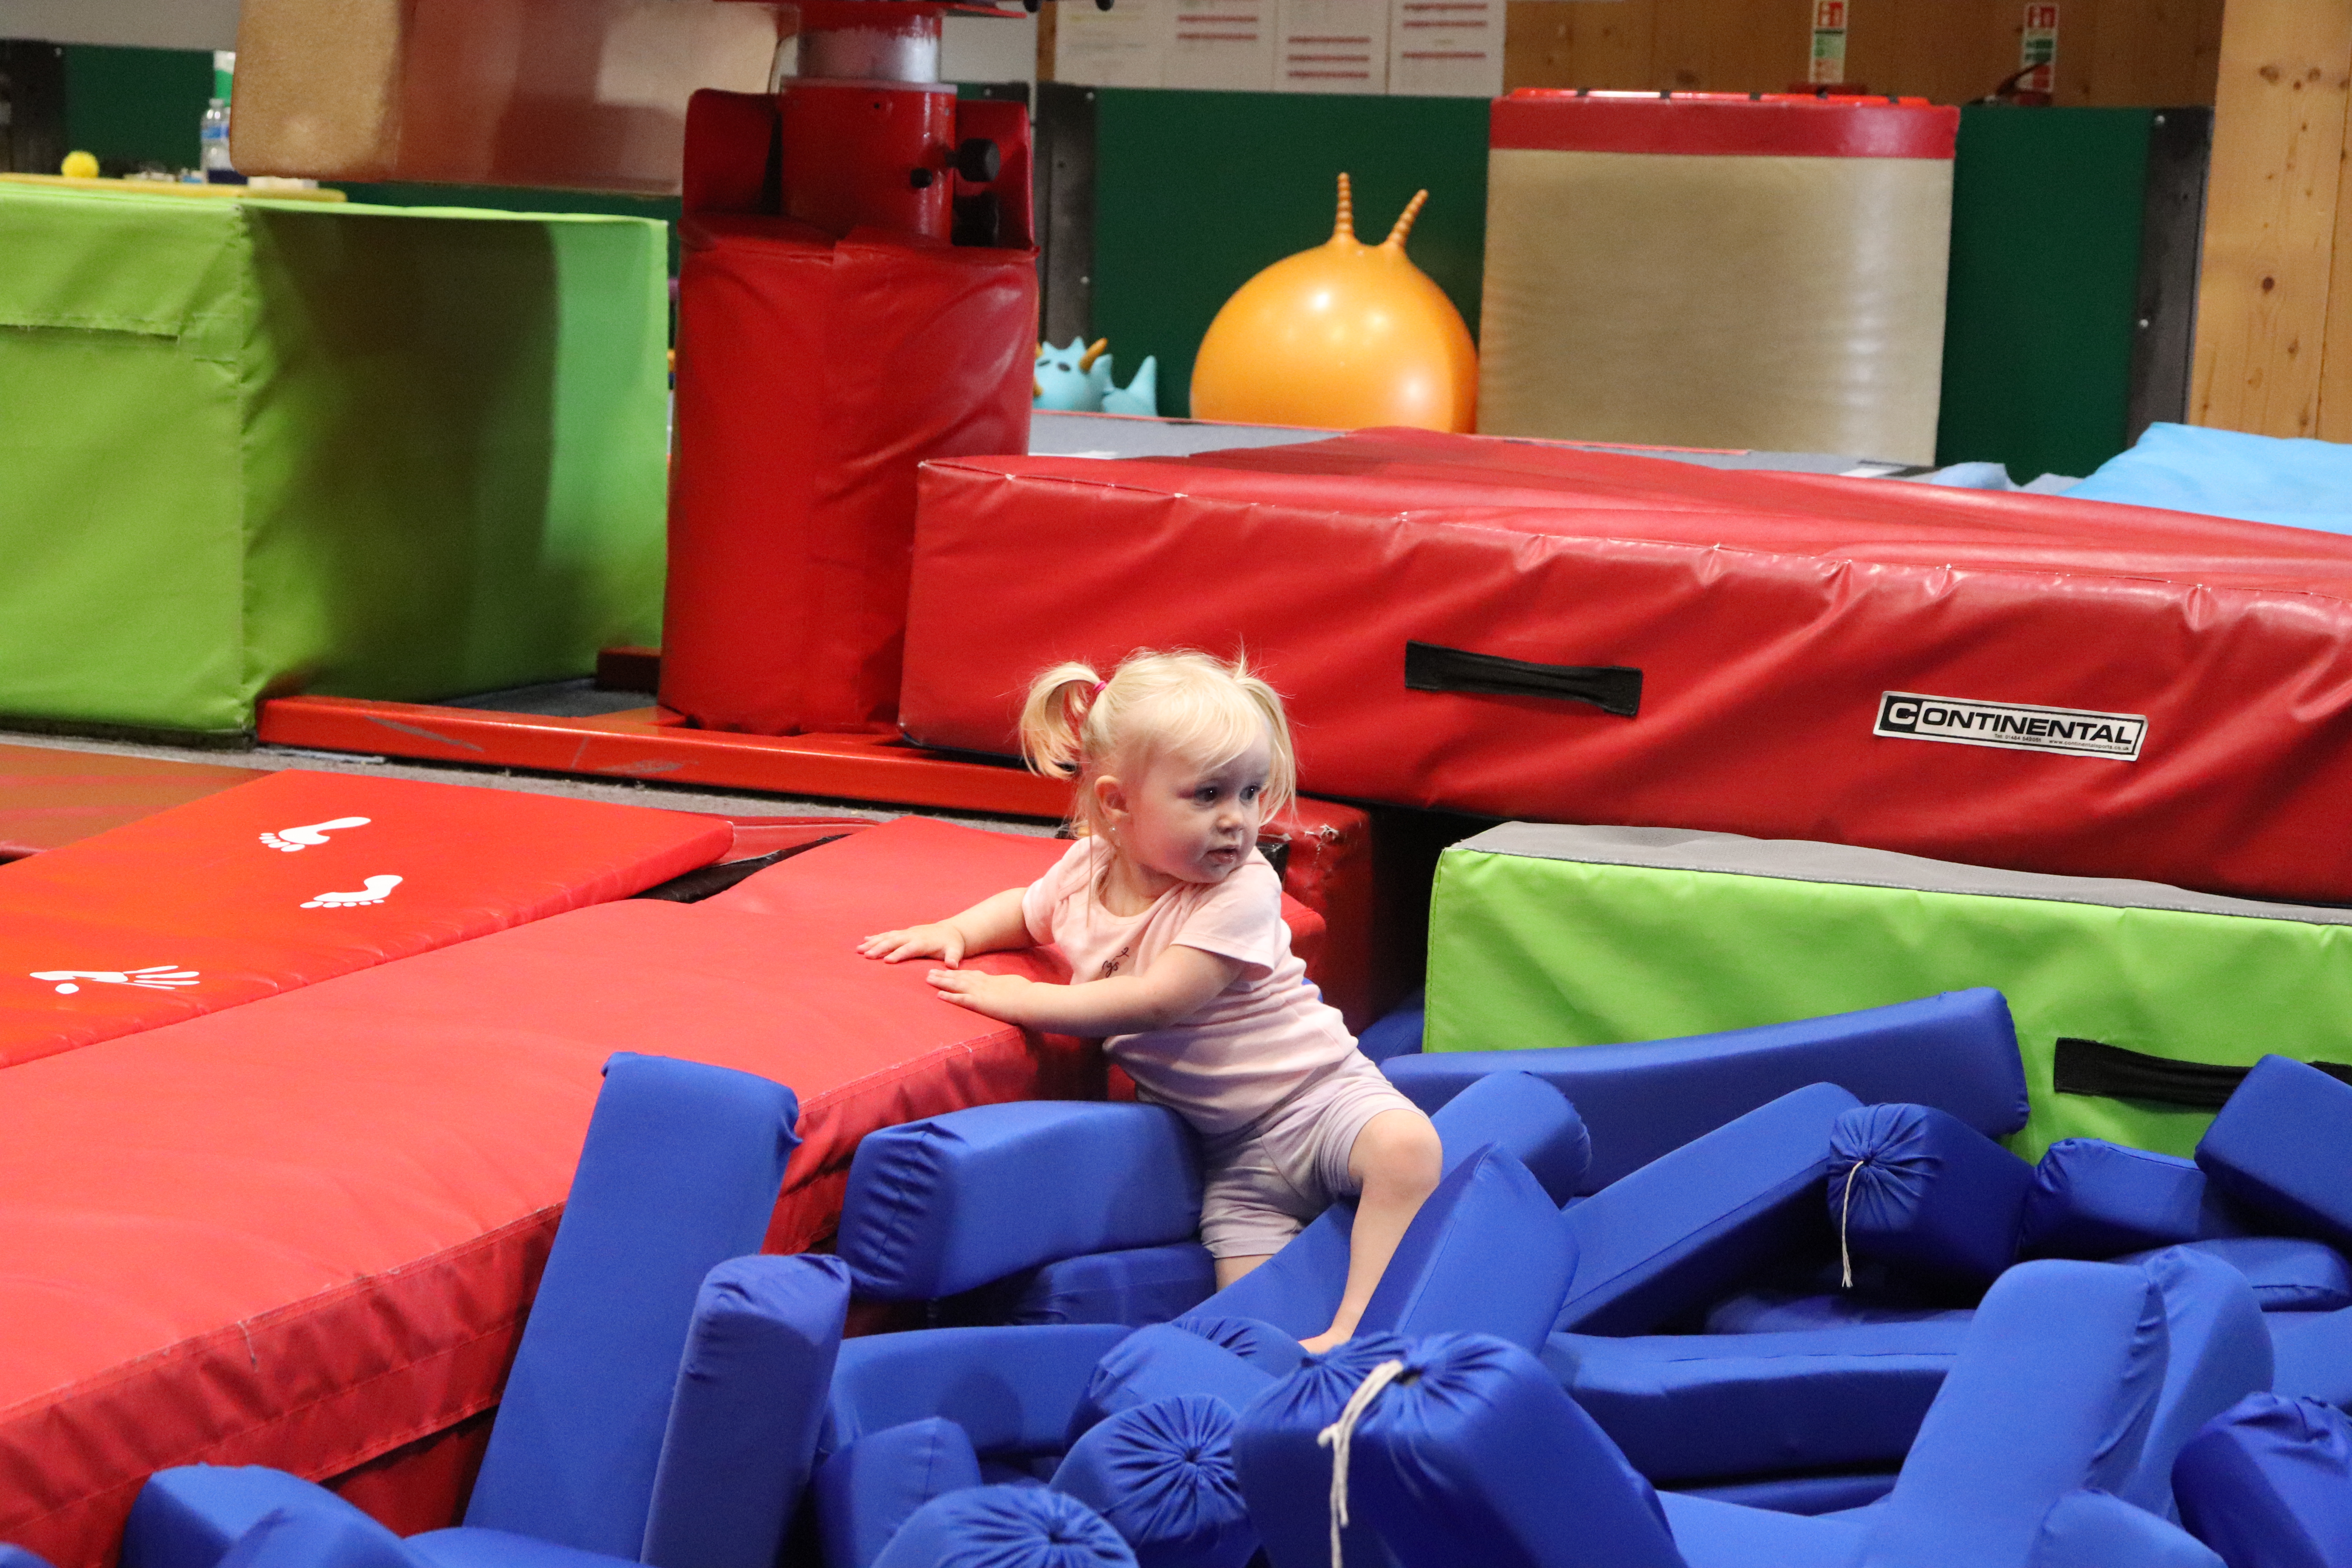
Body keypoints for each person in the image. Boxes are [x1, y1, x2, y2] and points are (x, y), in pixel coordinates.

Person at [859, 649, 1443, 1353]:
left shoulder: (1243, 890)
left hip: (1320, 1098)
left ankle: (1361, 1326)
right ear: (1117, 802)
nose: (1238, 820)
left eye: (1252, 793)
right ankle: (1286, 1365)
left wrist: (1019, 999)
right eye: (1207, 796)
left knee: (1407, 1149)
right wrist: (954, 930)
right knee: (1247, 1316)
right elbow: (1025, 909)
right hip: (1232, 1155)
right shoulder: (1085, 872)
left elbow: (1158, 1001)